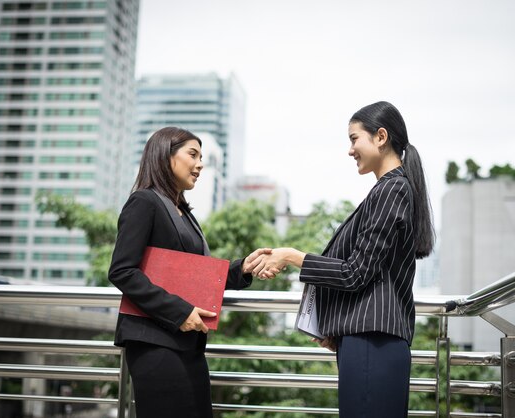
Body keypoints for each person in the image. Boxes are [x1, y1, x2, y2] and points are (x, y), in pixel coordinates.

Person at [253, 101, 435, 417]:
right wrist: (338, 326)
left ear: (381, 136)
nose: (350, 150)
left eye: (354, 139)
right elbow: (371, 274)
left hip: (372, 344)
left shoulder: (391, 190)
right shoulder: (389, 190)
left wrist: (293, 256)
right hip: (367, 343)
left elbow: (355, 272)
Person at [108, 127, 269, 418]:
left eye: (201, 157)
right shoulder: (145, 202)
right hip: (155, 342)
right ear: (164, 156)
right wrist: (179, 312)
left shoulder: (182, 211)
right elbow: (122, 270)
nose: (200, 164)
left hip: (186, 342)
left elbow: (196, 275)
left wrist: (242, 267)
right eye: (192, 154)